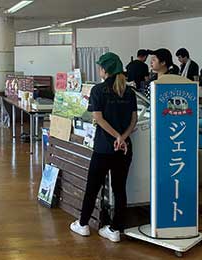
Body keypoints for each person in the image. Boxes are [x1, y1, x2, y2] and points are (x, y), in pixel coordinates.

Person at [70, 52, 138, 243]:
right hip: (124, 149)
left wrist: (116, 136)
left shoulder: (98, 90)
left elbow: (98, 118)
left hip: (103, 148)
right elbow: (134, 119)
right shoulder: (129, 91)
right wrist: (123, 138)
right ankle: (115, 230)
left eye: (100, 67)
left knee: (93, 187)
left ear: (104, 70)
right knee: (119, 189)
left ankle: (83, 225)